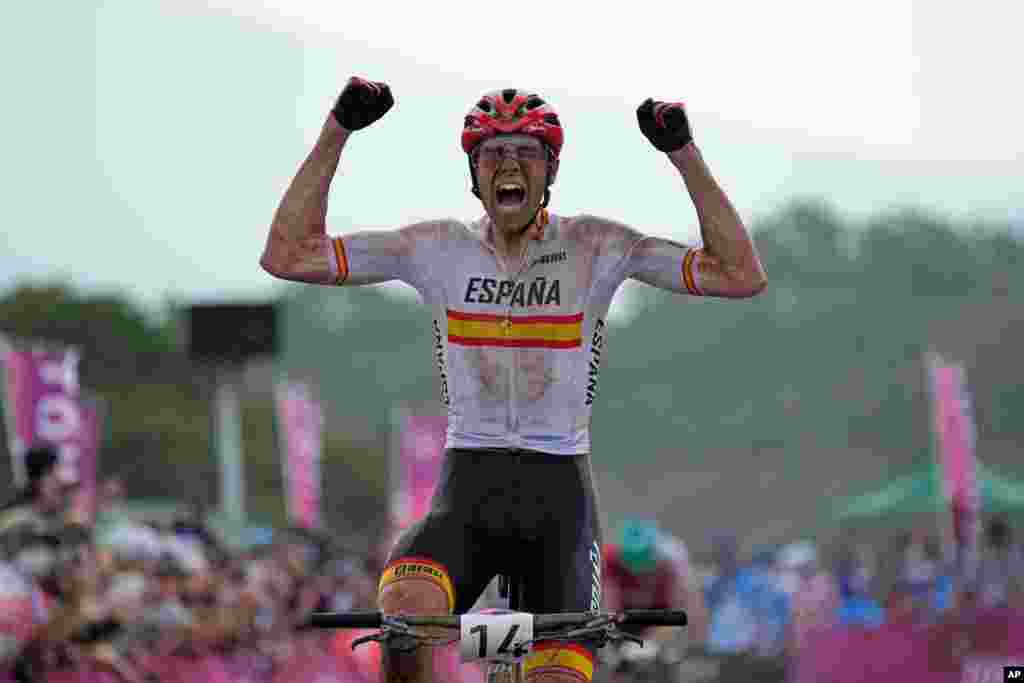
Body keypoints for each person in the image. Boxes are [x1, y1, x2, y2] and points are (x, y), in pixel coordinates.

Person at [261, 77, 767, 683]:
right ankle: (502, 653)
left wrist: (683, 154)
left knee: (543, 673)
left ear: (550, 171)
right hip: (464, 501)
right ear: (473, 174)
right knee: (405, 624)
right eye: (492, 153)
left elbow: (740, 275)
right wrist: (337, 129)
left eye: (525, 153)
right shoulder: (435, 248)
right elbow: (287, 255)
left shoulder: (596, 245)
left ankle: (511, 656)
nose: (508, 164)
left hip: (560, 510)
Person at [600, 520, 707, 683]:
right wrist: (610, 642)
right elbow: (602, 604)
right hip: (619, 624)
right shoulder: (608, 561)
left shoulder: (667, 567)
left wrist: (649, 643)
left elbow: (675, 616)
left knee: (663, 661)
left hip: (654, 625)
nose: (636, 570)